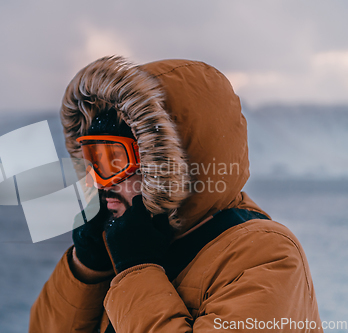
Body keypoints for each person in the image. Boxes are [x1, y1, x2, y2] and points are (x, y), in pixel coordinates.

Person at [29, 56, 322, 332]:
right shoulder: (125, 246)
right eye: (92, 160)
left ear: (167, 164)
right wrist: (88, 267)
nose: (98, 181)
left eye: (113, 160)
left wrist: (137, 271)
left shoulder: (266, 258)